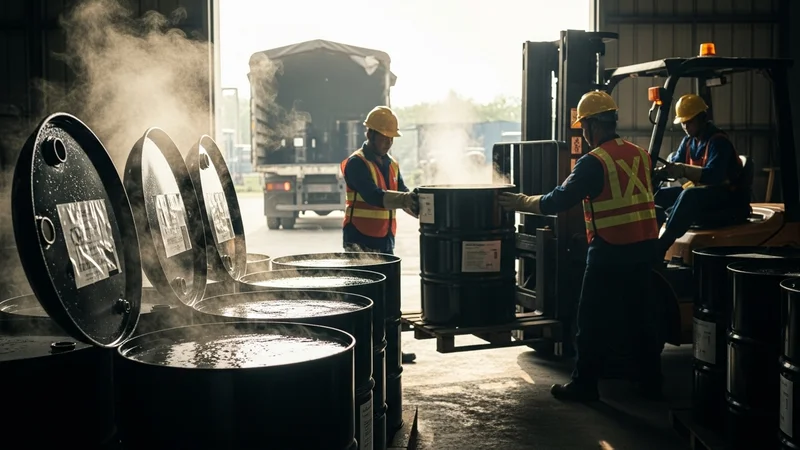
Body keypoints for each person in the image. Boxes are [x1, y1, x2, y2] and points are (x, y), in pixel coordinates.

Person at [498, 90, 663, 401]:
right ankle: (651, 382)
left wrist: (520, 202)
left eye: (582, 128)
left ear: (591, 126)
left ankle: (585, 385)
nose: (583, 134)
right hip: (644, 249)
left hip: (610, 251)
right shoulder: (641, 155)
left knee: (590, 320)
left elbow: (558, 201)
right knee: (642, 318)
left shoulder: (594, 162)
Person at [341, 105, 418, 364]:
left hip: (385, 238)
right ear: (370, 134)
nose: (388, 142)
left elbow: (403, 194)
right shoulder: (356, 164)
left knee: (388, 299)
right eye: (383, 137)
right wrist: (406, 198)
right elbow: (373, 196)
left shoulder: (392, 164)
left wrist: (423, 209)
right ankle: (363, 353)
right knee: (363, 301)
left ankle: (392, 352)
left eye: (391, 138)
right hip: (359, 239)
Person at [654, 94, 749, 260]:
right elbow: (675, 163)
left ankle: (662, 246)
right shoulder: (689, 142)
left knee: (689, 195)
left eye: (689, 121)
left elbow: (714, 176)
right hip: (707, 195)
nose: (685, 126)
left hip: (728, 198)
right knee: (660, 195)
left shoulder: (719, 142)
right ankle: (649, 239)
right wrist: (659, 172)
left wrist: (683, 169)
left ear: (702, 118)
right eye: (683, 122)